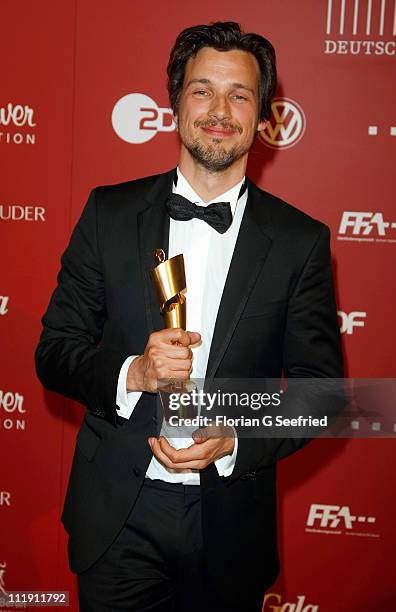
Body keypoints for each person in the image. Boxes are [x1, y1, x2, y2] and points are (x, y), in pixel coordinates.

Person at [35, 21, 343, 612]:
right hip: (118, 518)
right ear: (175, 103)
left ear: (263, 115)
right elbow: (55, 350)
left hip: (229, 523)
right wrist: (134, 374)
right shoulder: (109, 213)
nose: (219, 110)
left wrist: (235, 437)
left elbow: (321, 392)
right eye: (203, 90)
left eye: (240, 94)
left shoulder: (300, 240)